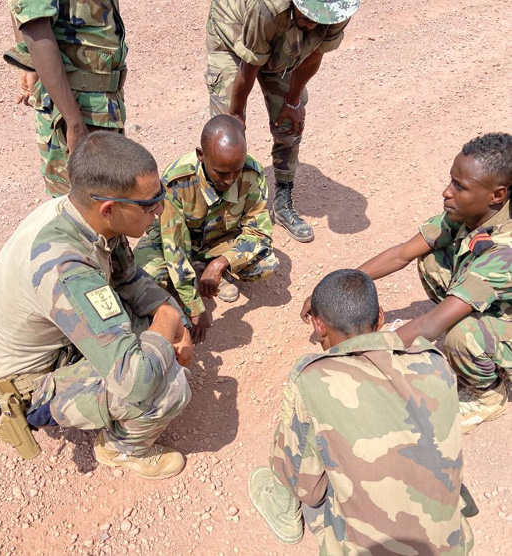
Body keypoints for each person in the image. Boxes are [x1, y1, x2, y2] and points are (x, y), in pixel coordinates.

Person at [0, 132, 192, 479]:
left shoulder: (89, 217)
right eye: (150, 205)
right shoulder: (65, 266)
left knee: (153, 332)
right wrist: (168, 318)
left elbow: (128, 279)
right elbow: (135, 382)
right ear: (110, 208)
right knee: (167, 383)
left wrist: (170, 317)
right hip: (28, 385)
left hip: (57, 344)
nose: (160, 210)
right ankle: (121, 449)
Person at [251, 270, 474, 554]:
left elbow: (309, 488)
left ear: (319, 326)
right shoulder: (433, 362)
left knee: (300, 459)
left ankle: (284, 513)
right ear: (380, 317)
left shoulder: (314, 379)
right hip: (453, 545)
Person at [303, 133, 512, 433]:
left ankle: (488, 395)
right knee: (430, 261)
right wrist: (331, 287)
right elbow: (402, 254)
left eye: (459, 187)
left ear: (497, 195)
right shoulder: (471, 210)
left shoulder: (504, 251)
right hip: (492, 291)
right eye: (451, 181)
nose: (446, 192)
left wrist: (359, 356)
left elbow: (434, 324)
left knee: (462, 334)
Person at [205, 0, 360, 242]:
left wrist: (292, 101)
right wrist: (236, 114)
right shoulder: (268, 7)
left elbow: (314, 54)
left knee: (291, 120)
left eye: (319, 18)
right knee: (227, 132)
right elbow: (251, 63)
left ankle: (282, 203)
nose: (312, 22)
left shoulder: (339, 8)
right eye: (308, 14)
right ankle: (224, 214)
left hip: (276, 39)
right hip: (234, 32)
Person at [134, 115, 278, 344]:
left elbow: (258, 232)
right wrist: (195, 307)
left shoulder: (252, 174)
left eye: (236, 171)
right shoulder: (177, 181)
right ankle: (191, 279)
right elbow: (175, 247)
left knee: (266, 264)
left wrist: (222, 262)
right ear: (201, 156)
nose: (230, 180)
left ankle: (207, 271)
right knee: (146, 274)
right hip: (175, 239)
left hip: (217, 240)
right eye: (221, 173)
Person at [5, 0, 127, 197]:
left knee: (111, 199)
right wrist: (74, 122)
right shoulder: (75, 119)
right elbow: (33, 23)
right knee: (88, 207)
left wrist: (29, 63)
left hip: (101, 104)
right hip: (76, 106)